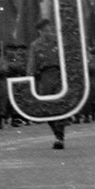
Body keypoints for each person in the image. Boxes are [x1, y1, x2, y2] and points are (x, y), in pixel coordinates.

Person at [26, 18, 68, 149]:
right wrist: (29, 77)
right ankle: (57, 133)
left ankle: (59, 136)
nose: (47, 32)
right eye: (44, 30)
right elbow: (32, 63)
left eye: (49, 29)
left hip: (60, 75)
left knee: (59, 105)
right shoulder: (35, 45)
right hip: (44, 76)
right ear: (40, 31)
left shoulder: (58, 41)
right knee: (47, 107)